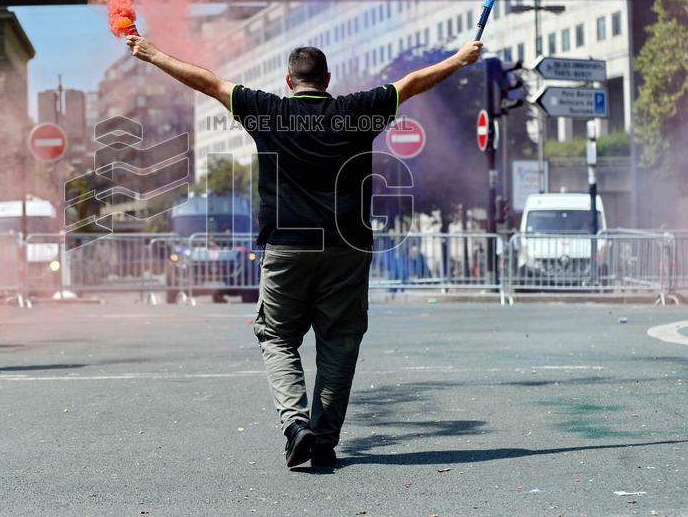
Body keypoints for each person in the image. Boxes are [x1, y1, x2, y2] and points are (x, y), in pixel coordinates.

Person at [127, 34, 482, 469]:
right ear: (327, 79)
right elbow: (411, 84)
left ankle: (297, 425)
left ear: (288, 80)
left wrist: (153, 53)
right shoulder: (357, 111)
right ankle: (325, 441)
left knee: (277, 337)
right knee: (340, 342)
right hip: (347, 247)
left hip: (286, 247)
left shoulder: (268, 111)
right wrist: (459, 59)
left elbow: (210, 83)